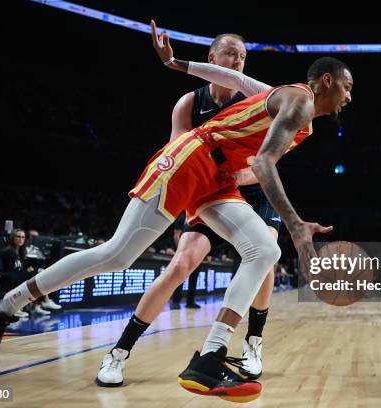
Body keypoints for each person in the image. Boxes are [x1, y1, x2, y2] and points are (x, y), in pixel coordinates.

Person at [0, 21, 352, 402]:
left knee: (265, 251)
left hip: (218, 179)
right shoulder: (299, 99)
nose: (349, 98)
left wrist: (177, 64)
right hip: (191, 159)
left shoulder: (290, 105)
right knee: (118, 255)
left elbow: (235, 81)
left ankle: (210, 357)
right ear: (329, 82)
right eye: (348, 88)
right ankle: (0, 307)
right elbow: (265, 164)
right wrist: (296, 224)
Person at [97, 30, 279, 387]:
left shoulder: (258, 101)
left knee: (264, 256)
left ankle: (252, 344)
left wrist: (234, 174)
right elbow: (176, 158)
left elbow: (259, 165)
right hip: (207, 189)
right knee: (181, 264)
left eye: (242, 56)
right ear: (211, 60)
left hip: (250, 190)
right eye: (230, 53)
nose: (238, 60)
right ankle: (118, 352)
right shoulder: (188, 103)